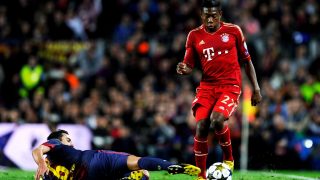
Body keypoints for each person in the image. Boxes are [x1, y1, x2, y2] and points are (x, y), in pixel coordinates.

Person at [176, 0, 262, 179]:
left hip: (230, 86)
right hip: (207, 87)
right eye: (206, 15)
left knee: (217, 120)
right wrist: (185, 69)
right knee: (201, 126)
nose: (210, 19)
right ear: (201, 15)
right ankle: (201, 176)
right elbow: (189, 64)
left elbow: (247, 60)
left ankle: (228, 159)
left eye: (213, 16)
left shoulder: (233, 31)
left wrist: (256, 88)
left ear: (220, 15)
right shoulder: (194, 36)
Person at [32, 129, 200, 180]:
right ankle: (171, 166)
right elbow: (37, 150)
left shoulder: (48, 172)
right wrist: (40, 162)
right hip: (94, 159)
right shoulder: (56, 144)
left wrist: (42, 168)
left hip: (88, 176)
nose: (72, 143)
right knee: (138, 162)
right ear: (59, 140)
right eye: (68, 139)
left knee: (143, 175)